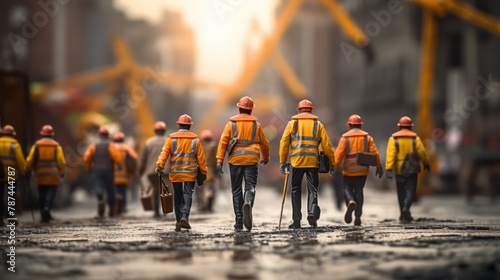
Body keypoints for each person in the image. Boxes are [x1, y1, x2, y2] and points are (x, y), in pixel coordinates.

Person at [279, 99, 336, 229]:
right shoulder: (318, 125)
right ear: (311, 110)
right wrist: (332, 163)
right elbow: (327, 146)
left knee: (295, 191)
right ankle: (312, 214)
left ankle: (297, 220)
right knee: (313, 190)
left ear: (298, 110)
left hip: (296, 163)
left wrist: (283, 161)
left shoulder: (292, 124)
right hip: (312, 163)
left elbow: (284, 143)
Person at [216, 96, 270, 232]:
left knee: (236, 190)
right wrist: (266, 157)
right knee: (250, 185)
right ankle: (248, 202)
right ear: (251, 111)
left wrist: (219, 160)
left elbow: (223, 142)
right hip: (251, 159)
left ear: (239, 108)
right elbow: (265, 143)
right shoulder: (256, 126)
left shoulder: (231, 124)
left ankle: (239, 221)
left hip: (235, 160)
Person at [155, 114, 208, 232]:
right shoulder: (196, 141)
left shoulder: (171, 140)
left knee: (178, 196)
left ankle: (178, 221)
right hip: (190, 173)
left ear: (178, 125)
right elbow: (201, 159)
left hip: (175, 173)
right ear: (189, 126)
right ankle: (185, 216)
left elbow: (164, 154)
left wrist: (159, 165)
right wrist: (204, 172)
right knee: (188, 194)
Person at [334, 114, 383, 226]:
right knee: (359, 191)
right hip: (362, 171)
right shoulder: (368, 138)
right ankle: (358, 216)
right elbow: (375, 153)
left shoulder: (345, 138)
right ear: (360, 125)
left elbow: (338, 155)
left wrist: (334, 166)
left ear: (349, 125)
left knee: (347, 189)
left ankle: (350, 201)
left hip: (348, 171)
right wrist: (379, 166)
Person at [385, 116, 430, 223]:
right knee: (411, 190)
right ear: (410, 127)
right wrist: (426, 162)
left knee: (401, 191)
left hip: (399, 170)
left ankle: (403, 214)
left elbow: (391, 155)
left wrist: (388, 168)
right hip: (412, 169)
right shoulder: (415, 139)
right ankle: (407, 208)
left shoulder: (393, 139)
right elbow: (422, 153)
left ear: (399, 126)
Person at [25, 125, 66, 223]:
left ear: (42, 134)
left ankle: (43, 215)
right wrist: (62, 173)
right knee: (51, 193)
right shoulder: (56, 146)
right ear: (52, 135)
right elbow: (61, 162)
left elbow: (30, 160)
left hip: (40, 175)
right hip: (53, 176)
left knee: (41, 194)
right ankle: (47, 208)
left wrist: (26, 170)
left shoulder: (36, 146)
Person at [83, 126, 122, 218]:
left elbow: (86, 158)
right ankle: (111, 209)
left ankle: (100, 198)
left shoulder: (93, 146)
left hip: (97, 169)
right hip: (109, 169)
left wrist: (89, 168)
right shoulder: (111, 145)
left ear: (99, 135)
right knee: (110, 189)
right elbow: (117, 157)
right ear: (108, 135)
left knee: (98, 185)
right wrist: (119, 165)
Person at [138, 121, 168, 218]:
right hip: (165, 171)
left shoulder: (148, 142)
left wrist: (140, 171)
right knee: (165, 190)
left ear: (155, 131)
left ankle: (156, 211)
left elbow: (143, 159)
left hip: (151, 171)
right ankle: (166, 209)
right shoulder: (168, 141)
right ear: (164, 131)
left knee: (155, 189)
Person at [0, 125, 26, 226]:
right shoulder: (15, 145)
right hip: (11, 174)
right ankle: (10, 216)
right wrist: (23, 172)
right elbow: (20, 160)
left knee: (0, 196)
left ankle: (0, 218)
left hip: (0, 174)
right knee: (11, 196)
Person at [112, 131, 138, 215]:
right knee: (123, 191)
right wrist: (133, 172)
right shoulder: (127, 148)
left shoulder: (111, 148)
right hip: (124, 175)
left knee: (115, 191)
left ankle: (115, 206)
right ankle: (123, 207)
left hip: (114, 175)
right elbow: (134, 158)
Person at [197, 129, 220, 212]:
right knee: (211, 189)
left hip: (200, 171)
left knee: (201, 189)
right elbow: (216, 160)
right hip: (210, 172)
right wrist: (217, 171)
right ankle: (209, 206)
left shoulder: (199, 146)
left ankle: (202, 205)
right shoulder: (213, 146)